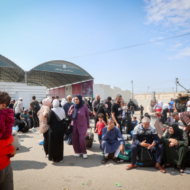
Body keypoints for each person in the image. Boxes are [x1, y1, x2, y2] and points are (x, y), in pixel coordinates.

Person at [68, 95, 90, 159]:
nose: (76, 100)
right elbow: (69, 114)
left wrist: (88, 124)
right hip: (74, 125)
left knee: (81, 139)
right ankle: (77, 151)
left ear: (80, 99)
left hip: (83, 125)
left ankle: (84, 152)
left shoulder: (84, 107)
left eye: (77, 99)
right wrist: (71, 112)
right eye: (75, 99)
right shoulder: (72, 106)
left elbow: (87, 116)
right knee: (75, 139)